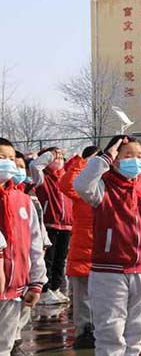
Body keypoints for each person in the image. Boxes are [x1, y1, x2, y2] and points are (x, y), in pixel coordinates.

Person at [74, 136, 141, 356]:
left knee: (136, 336)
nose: (134, 160)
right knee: (110, 335)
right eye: (127, 155)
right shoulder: (102, 187)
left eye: (139, 156)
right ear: (115, 159)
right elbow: (80, 185)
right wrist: (104, 157)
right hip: (110, 273)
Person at [0, 138, 46, 356]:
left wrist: (36, 282)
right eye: (2, 158)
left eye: (11, 158)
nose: (8, 164)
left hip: (12, 291)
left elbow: (34, 244)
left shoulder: (23, 201)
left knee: (4, 348)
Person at [59, 146, 100, 349]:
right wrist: (84, 161)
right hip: (83, 250)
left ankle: (101, 329)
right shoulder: (82, 188)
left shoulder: (105, 185)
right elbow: (66, 184)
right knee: (82, 296)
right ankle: (84, 330)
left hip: (105, 250)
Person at [29, 148, 71, 306]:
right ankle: (45, 290)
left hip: (66, 224)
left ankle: (55, 288)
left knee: (60, 259)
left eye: (61, 157)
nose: (58, 160)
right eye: (54, 157)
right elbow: (35, 165)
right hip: (49, 223)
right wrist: (50, 154)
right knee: (49, 258)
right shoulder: (41, 177)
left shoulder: (66, 177)